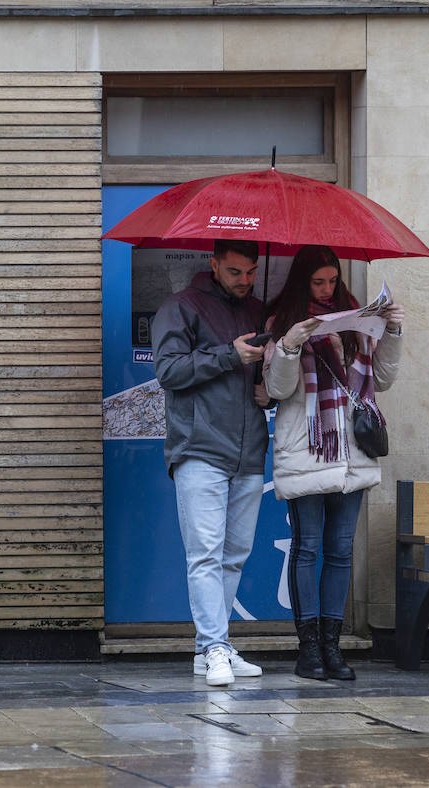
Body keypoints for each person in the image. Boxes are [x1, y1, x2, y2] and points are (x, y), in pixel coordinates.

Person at [262, 245, 403, 681]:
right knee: (307, 549)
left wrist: (393, 332)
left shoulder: (356, 324)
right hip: (308, 451)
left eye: (331, 280)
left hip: (352, 455)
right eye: (317, 282)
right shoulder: (281, 324)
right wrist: (289, 344)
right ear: (302, 282)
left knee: (340, 552)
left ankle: (332, 647)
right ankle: (308, 651)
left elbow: (381, 379)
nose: (326, 289)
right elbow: (278, 390)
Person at [151, 239, 271, 687]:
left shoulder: (257, 311)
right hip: (199, 449)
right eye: (235, 271)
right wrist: (228, 355)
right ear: (214, 264)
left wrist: (268, 385)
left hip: (249, 450)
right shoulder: (181, 307)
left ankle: (210, 649)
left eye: (251, 271)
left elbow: (261, 380)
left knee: (234, 556)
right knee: (204, 555)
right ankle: (216, 645)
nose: (244, 280)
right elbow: (168, 372)